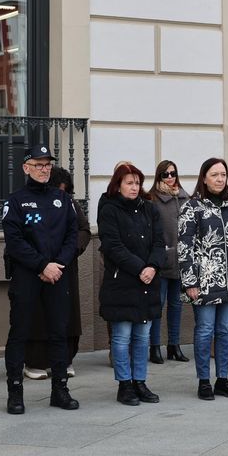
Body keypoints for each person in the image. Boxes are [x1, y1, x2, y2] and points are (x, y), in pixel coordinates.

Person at [1, 144, 81, 415]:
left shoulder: (63, 200)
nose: (44, 169)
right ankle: (15, 392)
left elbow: (73, 234)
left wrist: (57, 264)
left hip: (57, 275)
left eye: (47, 164)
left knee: (59, 332)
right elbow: (14, 241)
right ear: (26, 167)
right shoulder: (15, 201)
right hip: (28, 276)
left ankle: (60, 390)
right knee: (20, 333)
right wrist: (41, 265)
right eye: (38, 164)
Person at [180, 157, 228, 400]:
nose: (220, 179)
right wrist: (190, 281)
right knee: (205, 331)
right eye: (215, 175)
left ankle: (222, 379)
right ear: (204, 178)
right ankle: (204, 381)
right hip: (204, 281)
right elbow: (185, 247)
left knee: (224, 331)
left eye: (223, 174)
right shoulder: (192, 207)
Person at [98, 163, 163, 406]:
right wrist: (140, 268)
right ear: (118, 184)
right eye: (129, 183)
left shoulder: (149, 209)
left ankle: (140, 381)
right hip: (122, 282)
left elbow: (159, 242)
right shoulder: (109, 209)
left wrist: (153, 267)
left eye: (137, 183)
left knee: (142, 336)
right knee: (122, 336)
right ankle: (124, 384)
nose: (134, 187)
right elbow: (113, 246)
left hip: (147, 281)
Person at [23, 166, 91, 379]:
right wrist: (43, 263)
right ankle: (35, 362)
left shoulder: (70, 204)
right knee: (38, 316)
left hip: (64, 269)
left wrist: (66, 255)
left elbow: (83, 230)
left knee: (66, 316)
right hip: (37, 269)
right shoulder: (27, 201)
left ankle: (64, 359)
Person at [148, 160, 191, 363]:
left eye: (173, 173)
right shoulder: (152, 199)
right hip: (161, 260)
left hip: (182, 260)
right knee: (158, 304)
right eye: (165, 174)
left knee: (177, 305)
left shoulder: (185, 197)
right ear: (159, 176)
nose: (170, 177)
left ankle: (174, 345)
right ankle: (154, 346)